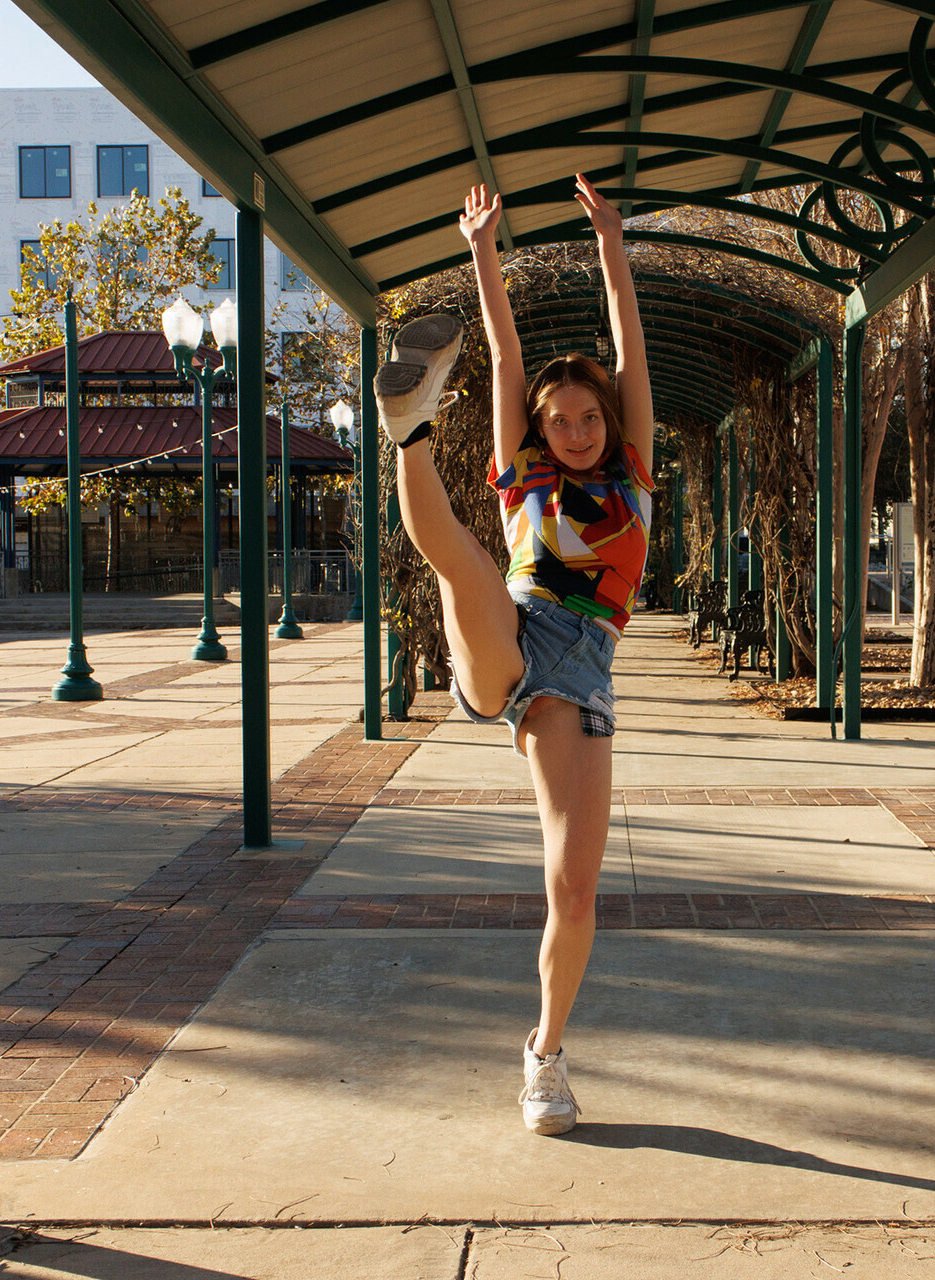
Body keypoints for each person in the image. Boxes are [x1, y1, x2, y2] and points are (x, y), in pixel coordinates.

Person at [372, 174, 655, 1136]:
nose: (574, 431)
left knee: (574, 892)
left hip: (580, 678)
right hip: (510, 631)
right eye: (558, 419)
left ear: (610, 422)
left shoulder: (633, 476)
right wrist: (482, 250)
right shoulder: (523, 473)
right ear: (537, 426)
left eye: (589, 417)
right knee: (467, 563)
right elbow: (505, 352)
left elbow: (629, 348)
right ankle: (409, 429)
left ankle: (545, 1054)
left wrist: (612, 245)